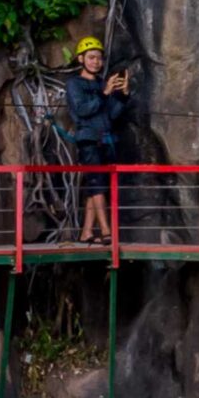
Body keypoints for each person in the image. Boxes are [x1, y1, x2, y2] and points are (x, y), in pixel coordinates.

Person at [64, 36, 131, 246]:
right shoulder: (74, 84)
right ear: (81, 59)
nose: (96, 62)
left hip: (106, 140)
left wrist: (123, 96)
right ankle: (105, 230)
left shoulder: (103, 83)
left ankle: (86, 233)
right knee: (97, 184)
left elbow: (112, 115)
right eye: (91, 57)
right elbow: (82, 110)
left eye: (99, 58)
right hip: (88, 140)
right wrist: (104, 93)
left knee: (97, 185)